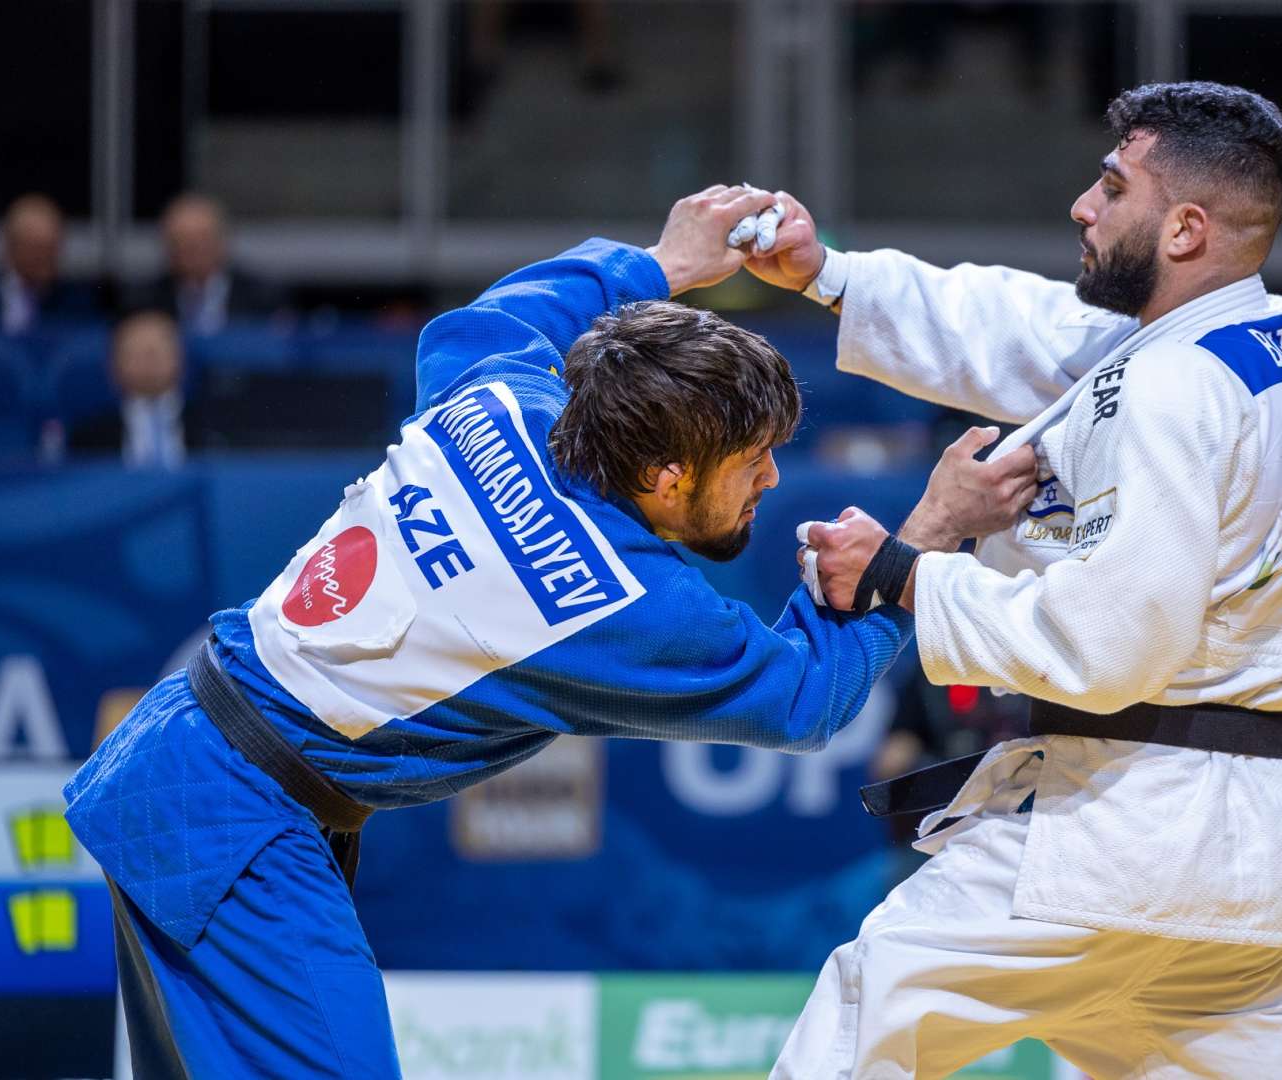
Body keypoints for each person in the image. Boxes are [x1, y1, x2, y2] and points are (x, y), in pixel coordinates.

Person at [63, 185, 1031, 1077]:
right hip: (239, 822)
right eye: (752, 463)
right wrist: (926, 536)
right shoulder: (617, 603)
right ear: (665, 480)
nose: (773, 482)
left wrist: (659, 262)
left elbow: (498, 313)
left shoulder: (497, 392)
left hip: (180, 751)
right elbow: (805, 698)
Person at [745, 82, 1282, 1077]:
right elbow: (1021, 328)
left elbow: (1111, 644)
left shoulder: (1167, 381)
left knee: (872, 1010)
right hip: (1251, 861)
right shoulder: (1267, 349)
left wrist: (904, 574)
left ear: (1187, 229)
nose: (1084, 205)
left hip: (1118, 838)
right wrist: (833, 276)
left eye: (1114, 186)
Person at [126, 193, 286, 334]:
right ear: (167, 246)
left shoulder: (264, 297)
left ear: (223, 240)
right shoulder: (143, 302)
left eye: (202, 239)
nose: (192, 249)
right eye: (181, 241)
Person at [66, 311, 201, 468]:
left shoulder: (216, 428)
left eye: (154, 351)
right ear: (114, 364)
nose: (147, 362)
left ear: (179, 357)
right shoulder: (87, 438)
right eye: (135, 353)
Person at [0, 193, 99, 334]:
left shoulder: (77, 302)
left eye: (52, 248)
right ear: (10, 247)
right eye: (37, 249)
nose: (47, 258)